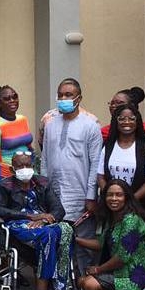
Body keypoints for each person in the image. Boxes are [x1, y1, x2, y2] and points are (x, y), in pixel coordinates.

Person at [0, 152, 72, 290]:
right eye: (20, 166)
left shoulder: (43, 183)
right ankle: (43, 289)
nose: (25, 169)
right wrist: (28, 216)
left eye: (28, 165)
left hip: (44, 224)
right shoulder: (4, 186)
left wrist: (46, 219)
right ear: (13, 169)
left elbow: (58, 209)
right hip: (18, 224)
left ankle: (60, 286)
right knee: (49, 234)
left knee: (66, 229)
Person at [41, 78, 103, 273]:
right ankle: (60, 285)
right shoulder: (50, 124)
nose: (63, 99)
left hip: (80, 196)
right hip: (55, 196)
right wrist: (44, 191)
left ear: (79, 98)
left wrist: (91, 196)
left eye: (68, 95)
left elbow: (96, 164)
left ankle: (84, 287)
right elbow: (44, 159)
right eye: (60, 95)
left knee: (82, 246)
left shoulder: (90, 125)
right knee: (57, 242)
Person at [77, 179, 145, 290]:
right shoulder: (113, 217)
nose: (114, 198)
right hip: (121, 271)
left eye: (119, 195)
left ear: (126, 197)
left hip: (136, 275)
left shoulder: (131, 220)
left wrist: (98, 269)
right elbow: (100, 243)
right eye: (110, 195)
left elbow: (122, 258)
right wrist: (76, 240)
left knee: (88, 284)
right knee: (82, 281)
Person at [97, 104, 145, 206]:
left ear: (137, 122)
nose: (127, 122)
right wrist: (111, 197)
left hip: (136, 206)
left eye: (131, 119)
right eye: (122, 119)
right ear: (116, 122)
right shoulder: (108, 146)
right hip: (109, 206)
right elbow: (100, 177)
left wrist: (129, 201)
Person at [0, 85, 34, 182]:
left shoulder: (23, 119)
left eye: (15, 97)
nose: (12, 100)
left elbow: (29, 147)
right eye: (7, 99)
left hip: (28, 173)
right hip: (8, 177)